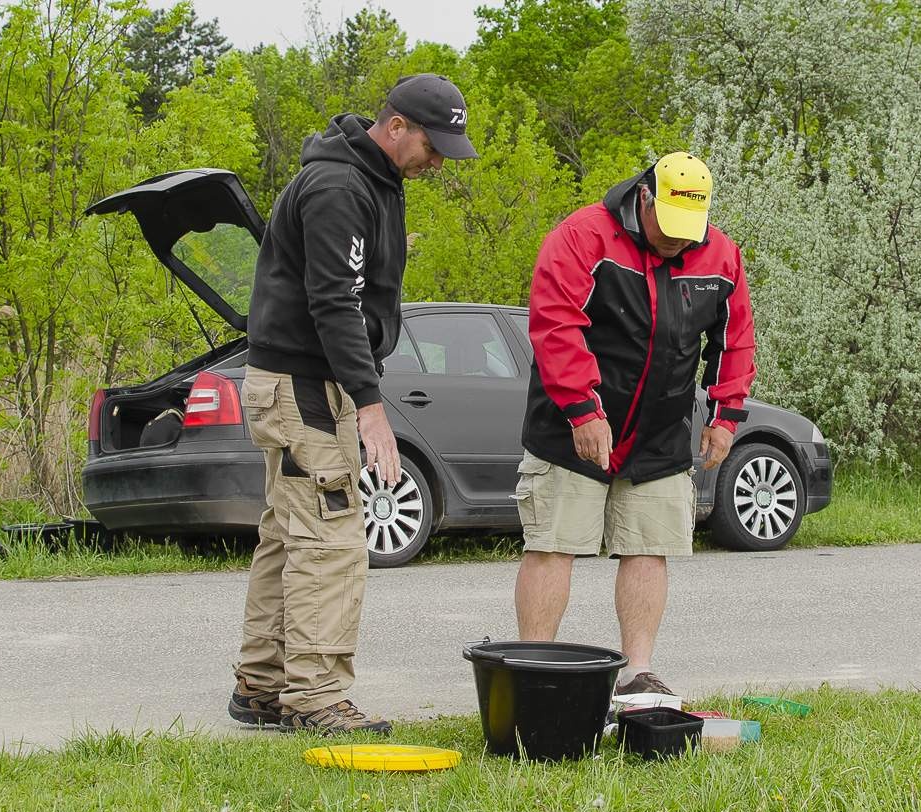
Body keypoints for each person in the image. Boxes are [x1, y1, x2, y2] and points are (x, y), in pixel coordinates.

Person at [228, 74, 478, 734]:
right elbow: (334, 301)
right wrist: (369, 403)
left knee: (289, 532)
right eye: (434, 146)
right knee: (331, 533)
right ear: (395, 127)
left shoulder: (373, 181)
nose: (439, 162)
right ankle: (314, 694)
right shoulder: (339, 187)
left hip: (302, 379)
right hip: (304, 382)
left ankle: (262, 683)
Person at [514, 152, 756, 696]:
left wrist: (725, 418)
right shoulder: (583, 236)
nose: (677, 241)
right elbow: (555, 325)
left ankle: (637, 672)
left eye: (688, 231)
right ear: (645, 198)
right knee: (554, 544)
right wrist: (582, 408)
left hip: (661, 430)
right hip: (571, 428)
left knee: (649, 547)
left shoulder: (720, 256)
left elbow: (733, 342)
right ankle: (536, 668)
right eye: (668, 228)